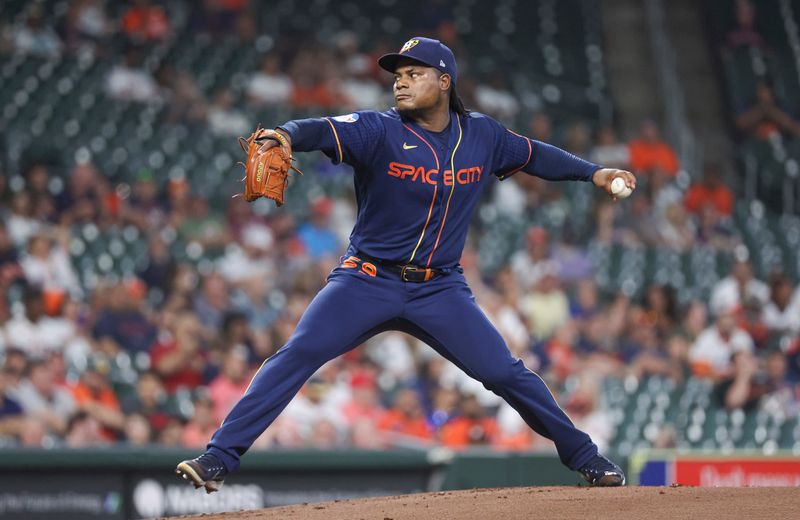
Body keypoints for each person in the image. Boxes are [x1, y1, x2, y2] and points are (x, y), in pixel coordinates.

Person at [176, 36, 634, 492]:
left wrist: (595, 172)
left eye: (414, 74)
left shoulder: (482, 135)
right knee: (298, 354)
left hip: (440, 289)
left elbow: (536, 155)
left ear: (444, 80)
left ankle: (587, 459)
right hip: (366, 279)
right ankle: (219, 457)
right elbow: (318, 128)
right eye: (398, 76)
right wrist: (285, 134)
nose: (401, 83)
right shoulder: (379, 129)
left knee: (504, 373)